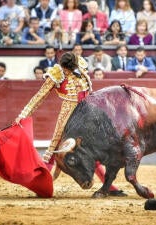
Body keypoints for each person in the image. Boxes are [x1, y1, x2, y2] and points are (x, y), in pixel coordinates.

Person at [14, 52, 126, 197]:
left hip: (87, 113)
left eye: (70, 69)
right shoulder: (55, 74)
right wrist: (22, 115)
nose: (68, 72)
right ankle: (39, 185)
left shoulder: (80, 64)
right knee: (54, 149)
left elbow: (88, 91)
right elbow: (39, 97)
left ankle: (109, 186)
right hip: (69, 114)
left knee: (92, 149)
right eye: (67, 70)